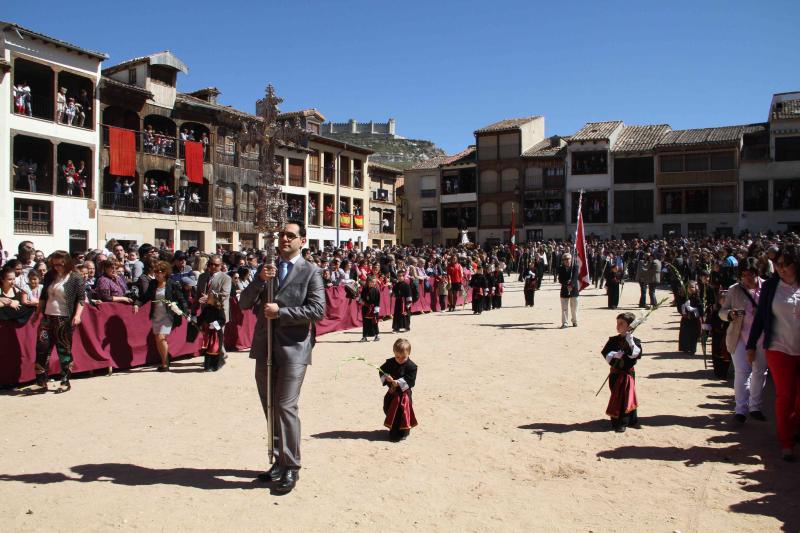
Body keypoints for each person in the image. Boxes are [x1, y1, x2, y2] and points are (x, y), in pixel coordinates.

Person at [240, 222, 325, 494]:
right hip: (265, 347)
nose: (284, 239)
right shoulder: (268, 269)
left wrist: (282, 312)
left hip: (294, 349)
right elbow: (243, 302)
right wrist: (259, 281)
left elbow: (318, 310)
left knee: (286, 406)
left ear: (302, 240)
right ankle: (278, 459)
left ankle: (292, 466)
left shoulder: (311, 271)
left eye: (290, 235)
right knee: (270, 406)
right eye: (282, 235)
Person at [746, 245, 800, 462]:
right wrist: (751, 345)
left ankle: (793, 428)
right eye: (778, 265)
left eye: (786, 264)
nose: (782, 269)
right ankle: (786, 441)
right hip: (779, 348)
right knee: (785, 395)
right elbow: (760, 318)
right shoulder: (771, 287)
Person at [720, 263, 768, 423]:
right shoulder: (734, 289)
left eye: (750, 274)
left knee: (759, 372)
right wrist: (729, 314)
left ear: (757, 272)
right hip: (738, 336)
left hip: (762, 337)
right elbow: (722, 311)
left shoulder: (767, 288)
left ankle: (755, 405)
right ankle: (740, 409)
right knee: (741, 373)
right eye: (743, 275)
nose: (747, 278)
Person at [33, 251, 85, 392]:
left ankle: (65, 380)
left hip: (64, 318)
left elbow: (81, 299)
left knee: (64, 350)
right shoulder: (50, 275)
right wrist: (37, 312)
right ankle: (42, 379)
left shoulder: (76, 278)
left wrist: (78, 315)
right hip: (48, 317)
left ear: (67, 263)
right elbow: (43, 296)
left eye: (60, 264)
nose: (57, 267)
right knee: (42, 347)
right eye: (54, 264)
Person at [134, 260, 187, 371]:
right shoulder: (153, 283)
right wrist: (137, 304)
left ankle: (165, 364)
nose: (157, 273)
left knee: (161, 337)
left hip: (168, 315)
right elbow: (146, 296)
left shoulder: (172, 284)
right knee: (158, 339)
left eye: (159, 271)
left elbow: (181, 299)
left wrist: (185, 311)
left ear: (165, 272)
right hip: (156, 315)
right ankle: (164, 360)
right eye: (155, 271)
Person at [601, 312, 643, 432]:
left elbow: (636, 354)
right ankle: (618, 419)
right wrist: (614, 355)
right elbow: (606, 353)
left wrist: (630, 343)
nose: (618, 326)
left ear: (630, 326)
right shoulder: (613, 340)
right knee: (616, 395)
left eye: (621, 323)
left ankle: (623, 422)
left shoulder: (635, 341)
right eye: (617, 323)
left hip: (627, 374)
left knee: (626, 396)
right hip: (615, 373)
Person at [194, 255, 232, 366]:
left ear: (221, 266)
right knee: (210, 336)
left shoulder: (226, 278)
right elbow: (197, 295)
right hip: (206, 312)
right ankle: (220, 354)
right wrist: (193, 310)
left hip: (219, 313)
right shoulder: (202, 277)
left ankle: (218, 358)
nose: (213, 266)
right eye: (211, 264)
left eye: (216, 265)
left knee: (218, 334)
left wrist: (209, 298)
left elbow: (224, 295)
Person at [379, 338, 418, 442]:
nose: (400, 359)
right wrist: (386, 376)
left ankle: (404, 431)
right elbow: (381, 371)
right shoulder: (390, 362)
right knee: (388, 408)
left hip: (404, 395)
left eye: (403, 357)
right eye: (397, 357)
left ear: (409, 353)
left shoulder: (412, 367)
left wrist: (399, 382)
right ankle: (393, 429)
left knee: (402, 413)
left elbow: (411, 381)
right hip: (392, 393)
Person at [679, 281, 702, 354]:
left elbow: (700, 308)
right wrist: (683, 311)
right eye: (689, 287)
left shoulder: (697, 298)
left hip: (694, 319)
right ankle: (685, 348)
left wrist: (693, 309)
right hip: (685, 319)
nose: (691, 289)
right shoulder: (683, 297)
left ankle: (692, 348)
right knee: (685, 333)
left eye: (693, 287)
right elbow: (680, 305)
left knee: (693, 334)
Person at [557, 252, 580, 328]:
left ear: (571, 259)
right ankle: (565, 322)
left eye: (568, 259)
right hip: (564, 290)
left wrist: (571, 285)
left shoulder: (575, 266)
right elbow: (560, 279)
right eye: (564, 259)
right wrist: (567, 284)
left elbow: (575, 277)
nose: (566, 260)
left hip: (574, 290)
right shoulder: (561, 268)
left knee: (574, 308)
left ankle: (574, 321)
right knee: (564, 308)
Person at [358, 275, 381, 342]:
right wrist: (359, 300)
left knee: (374, 322)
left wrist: (376, 308)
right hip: (365, 308)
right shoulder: (364, 290)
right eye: (372, 282)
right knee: (365, 323)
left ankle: (377, 335)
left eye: (374, 282)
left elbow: (378, 300)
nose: (374, 283)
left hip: (373, 309)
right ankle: (364, 336)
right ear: (368, 282)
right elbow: (362, 299)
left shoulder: (376, 290)